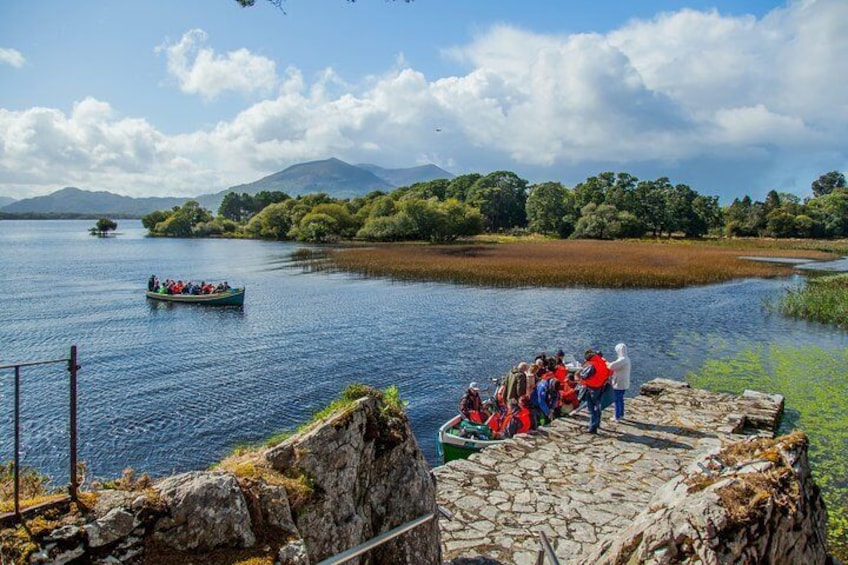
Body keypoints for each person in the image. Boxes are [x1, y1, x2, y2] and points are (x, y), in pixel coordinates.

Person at [578, 348, 612, 434]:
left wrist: (581, 370)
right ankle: (597, 423)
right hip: (600, 387)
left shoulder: (591, 365)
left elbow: (583, 375)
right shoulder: (602, 363)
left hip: (592, 388)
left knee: (591, 408)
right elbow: (609, 372)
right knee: (598, 406)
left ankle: (592, 427)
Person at [607, 343, 631, 422]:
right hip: (624, 383)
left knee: (616, 399)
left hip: (619, 383)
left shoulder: (622, 360)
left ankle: (616, 416)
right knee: (620, 399)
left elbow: (611, 367)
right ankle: (621, 414)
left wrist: (607, 363)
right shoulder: (626, 358)